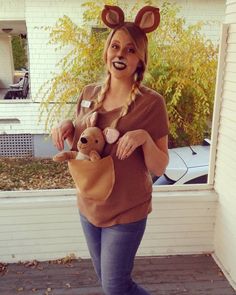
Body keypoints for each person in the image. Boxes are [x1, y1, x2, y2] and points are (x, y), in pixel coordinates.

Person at [51, 5, 169, 295]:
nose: (120, 54)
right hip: (89, 206)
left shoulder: (152, 103)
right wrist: (68, 126)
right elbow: (84, 151)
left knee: (116, 287)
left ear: (140, 59)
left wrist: (143, 137)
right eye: (115, 46)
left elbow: (160, 167)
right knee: (109, 284)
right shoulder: (89, 94)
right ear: (106, 52)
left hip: (127, 211)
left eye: (130, 50)